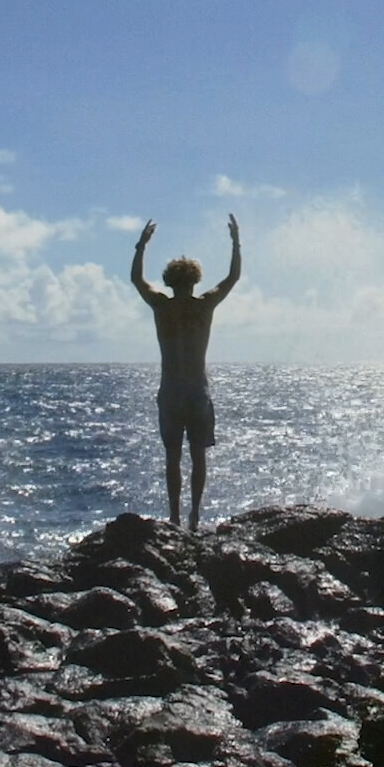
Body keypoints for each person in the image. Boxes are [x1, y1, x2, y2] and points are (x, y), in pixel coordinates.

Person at [130, 214, 240, 531]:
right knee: (198, 456)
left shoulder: (161, 306)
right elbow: (232, 277)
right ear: (195, 279)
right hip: (196, 391)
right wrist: (236, 243)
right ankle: (194, 517)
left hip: (171, 391)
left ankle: (175, 516)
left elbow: (136, 279)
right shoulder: (204, 305)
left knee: (172, 456)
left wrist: (141, 246)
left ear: (169, 279)